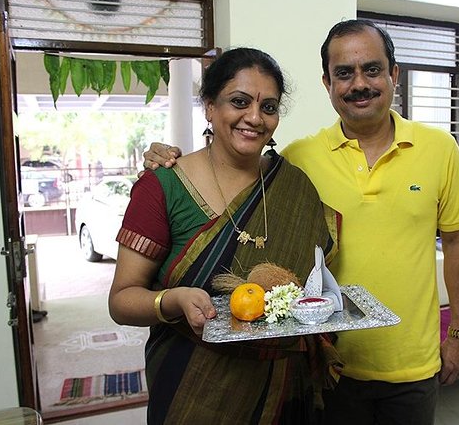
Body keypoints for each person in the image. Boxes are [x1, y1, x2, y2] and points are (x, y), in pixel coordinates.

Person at [144, 20, 459, 425]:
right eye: (344, 73)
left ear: (394, 74)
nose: (359, 84)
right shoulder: (298, 160)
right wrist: (168, 157)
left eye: (372, 69)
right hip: (325, 361)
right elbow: (234, 163)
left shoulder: (440, 149)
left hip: (413, 364)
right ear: (327, 82)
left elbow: (457, 242)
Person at [109, 47, 342, 425]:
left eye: (269, 107)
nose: (254, 117)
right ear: (209, 107)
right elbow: (121, 300)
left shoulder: (293, 184)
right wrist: (174, 300)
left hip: (283, 388)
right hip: (193, 389)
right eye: (239, 101)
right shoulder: (163, 186)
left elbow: (314, 287)